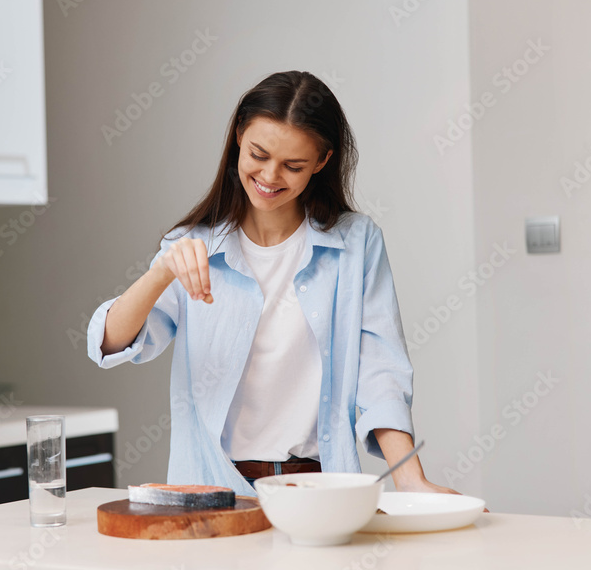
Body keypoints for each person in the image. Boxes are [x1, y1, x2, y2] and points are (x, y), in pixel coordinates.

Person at [87, 70, 460, 498]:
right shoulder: (192, 246)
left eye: (293, 165)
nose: (269, 176)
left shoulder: (356, 244)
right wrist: (161, 272)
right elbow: (111, 343)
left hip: (319, 490)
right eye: (258, 154)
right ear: (239, 138)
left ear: (321, 162)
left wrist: (409, 478)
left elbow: (381, 370)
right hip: (213, 491)